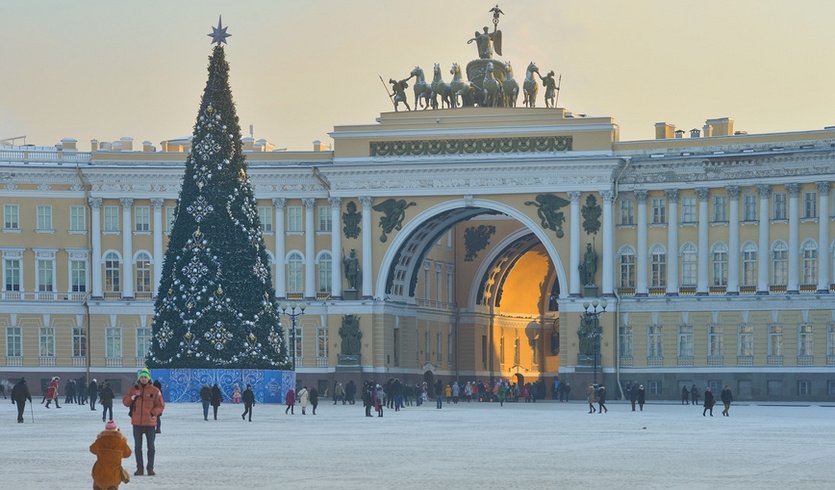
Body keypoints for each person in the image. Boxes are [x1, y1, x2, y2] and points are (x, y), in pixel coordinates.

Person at [122, 367, 164, 476]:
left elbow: (160, 406)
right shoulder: (133, 389)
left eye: (145, 377)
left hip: (150, 423)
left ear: (149, 378)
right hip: (137, 424)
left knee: (151, 447)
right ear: (139, 378)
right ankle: (139, 468)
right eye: (142, 377)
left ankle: (150, 468)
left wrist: (153, 413)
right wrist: (132, 397)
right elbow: (126, 403)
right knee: (137, 447)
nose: (143, 379)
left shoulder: (155, 390)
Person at [90, 420, 132, 490]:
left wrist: (98, 439)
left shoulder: (100, 440)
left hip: (100, 474)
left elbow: (92, 449)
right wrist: (124, 442)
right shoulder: (120, 442)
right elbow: (127, 454)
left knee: (98, 485)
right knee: (113, 485)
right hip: (114, 475)